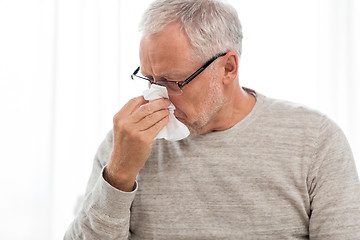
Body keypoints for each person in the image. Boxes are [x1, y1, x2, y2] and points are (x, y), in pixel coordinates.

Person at [64, 0, 360, 239]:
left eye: (171, 81)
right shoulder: (127, 142)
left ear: (229, 68)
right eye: (148, 79)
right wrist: (118, 175)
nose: (157, 97)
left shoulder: (314, 140)